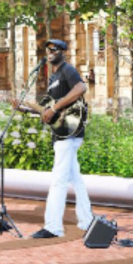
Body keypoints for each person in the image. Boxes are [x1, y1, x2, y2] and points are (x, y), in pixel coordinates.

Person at [31, 39, 93, 240]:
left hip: (70, 133)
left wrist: (55, 108)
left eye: (54, 49)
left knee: (58, 180)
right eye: (47, 49)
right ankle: (87, 220)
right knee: (75, 179)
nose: (49, 52)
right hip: (62, 133)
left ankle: (53, 227)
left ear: (63, 52)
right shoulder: (53, 78)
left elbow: (81, 88)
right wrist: (24, 107)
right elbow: (48, 111)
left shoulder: (68, 70)